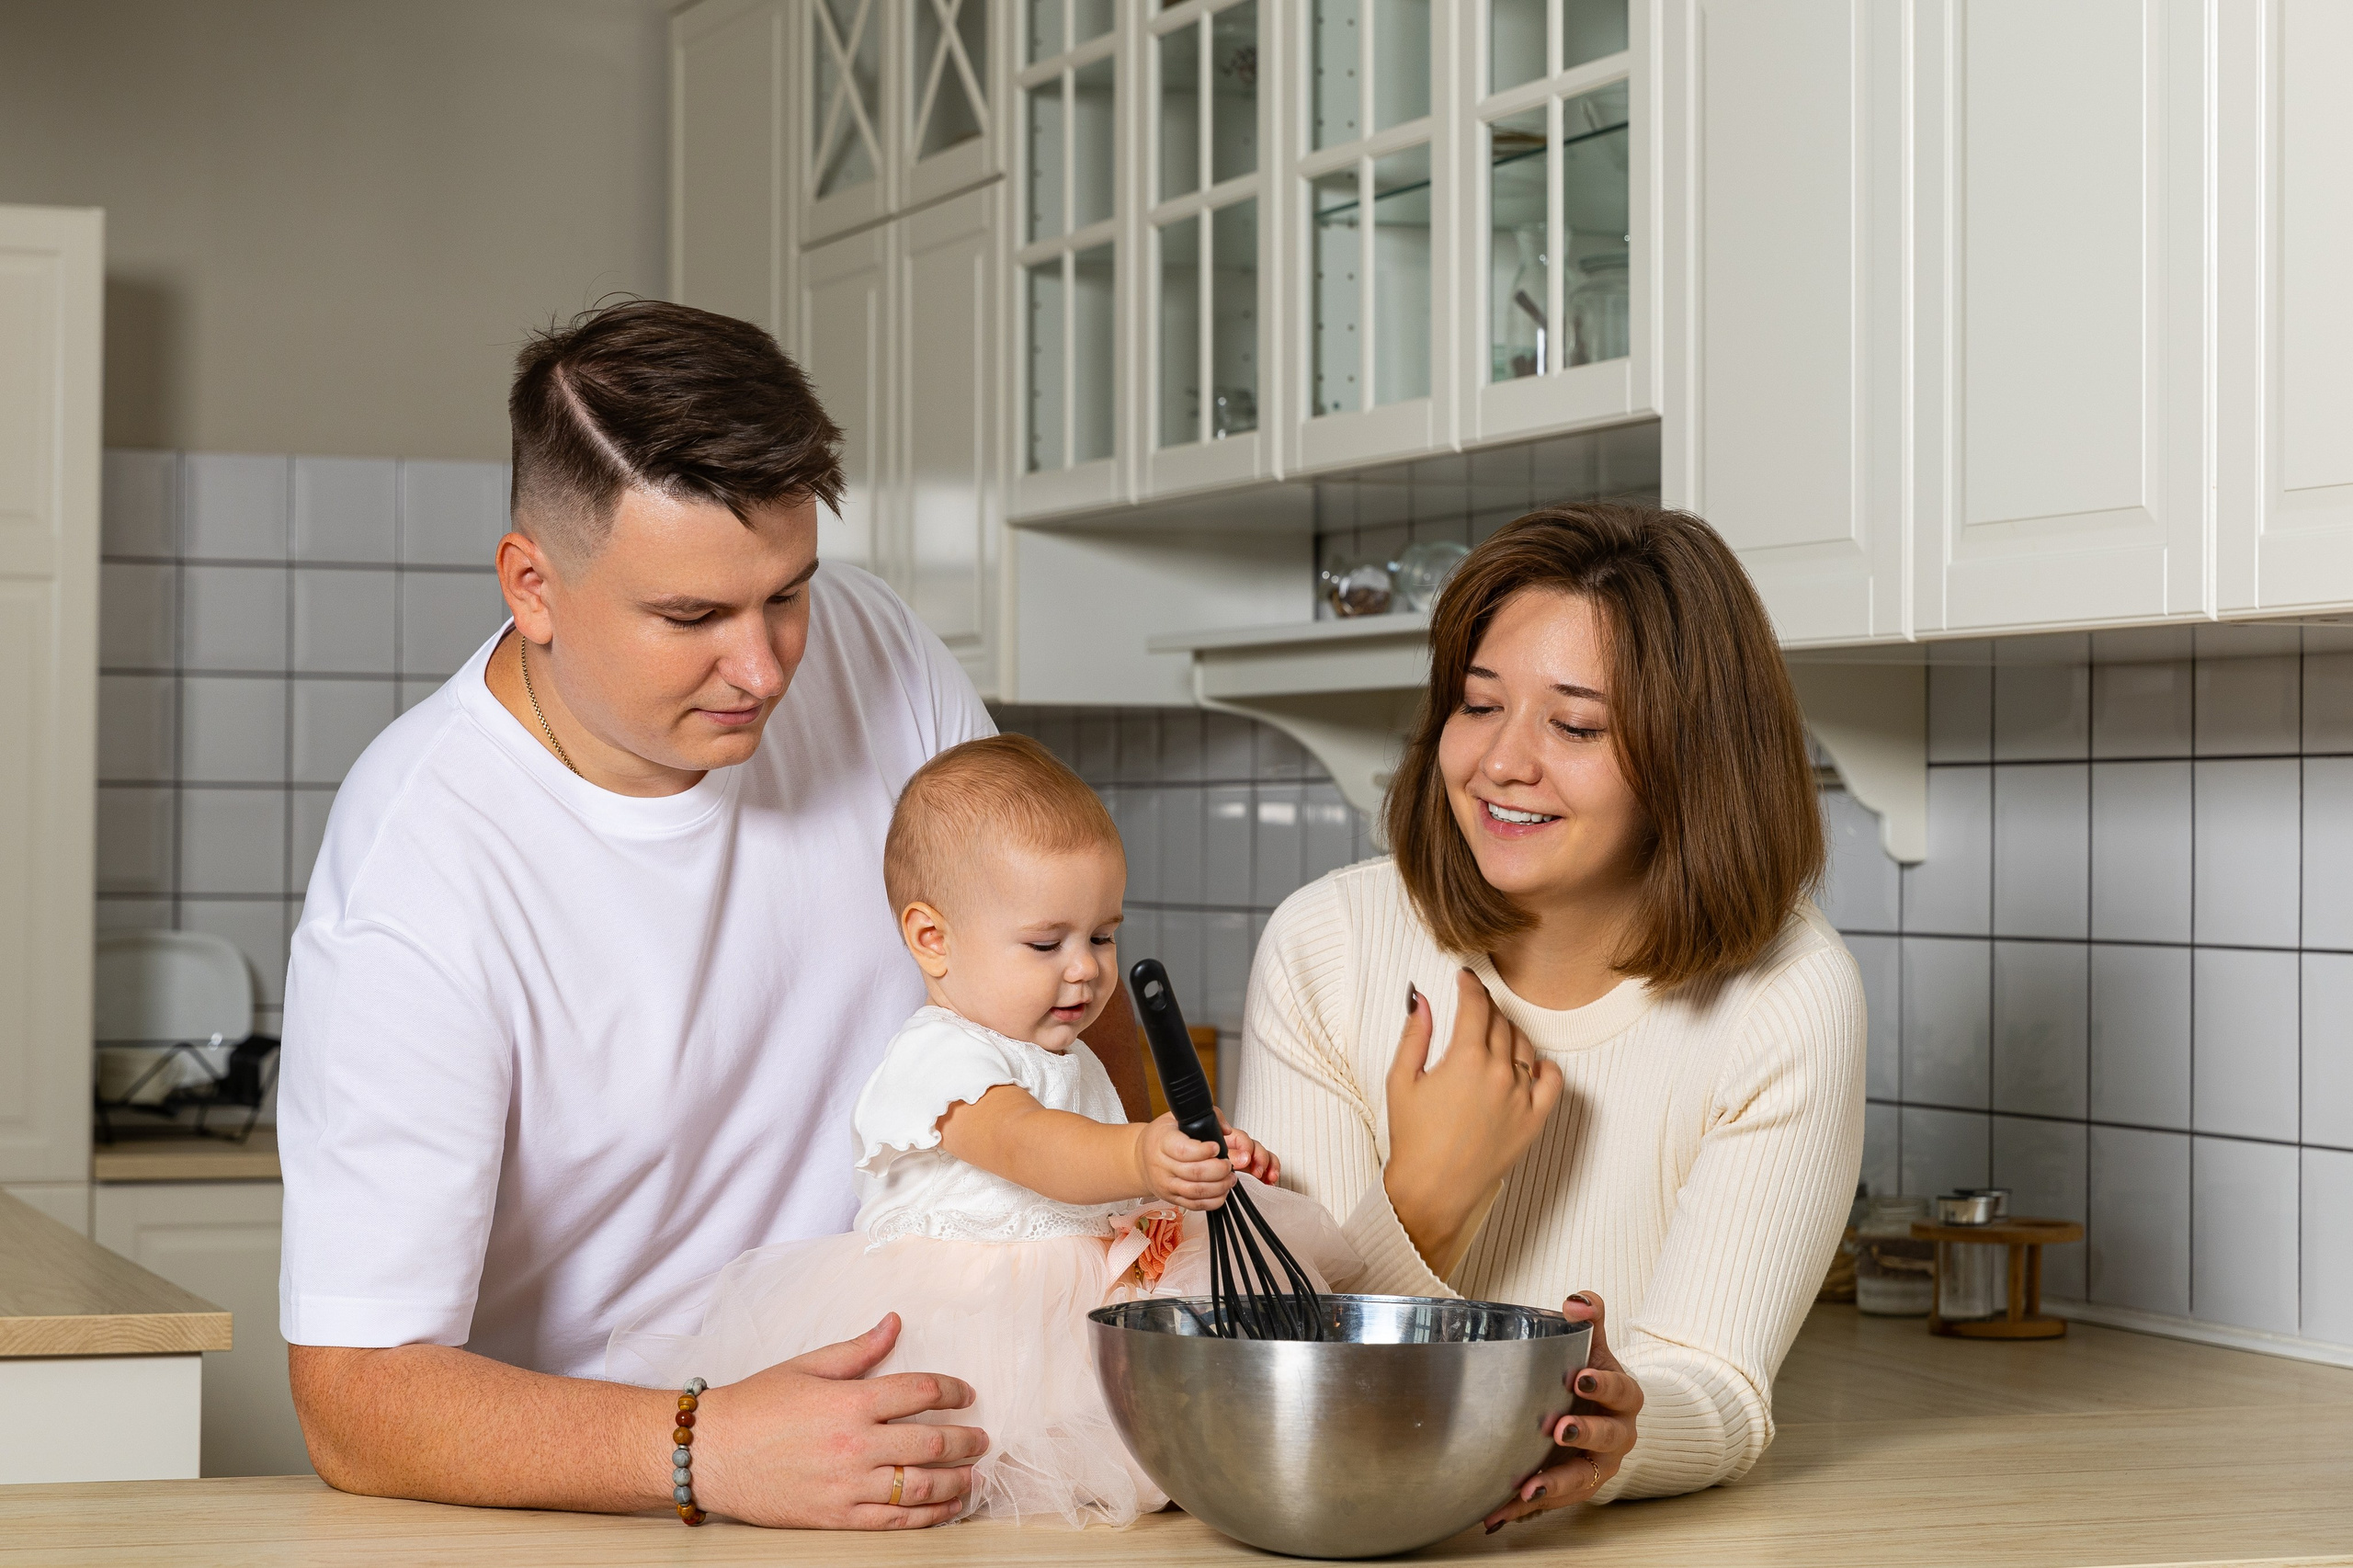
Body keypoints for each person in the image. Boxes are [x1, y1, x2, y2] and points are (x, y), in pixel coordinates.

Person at [277, 301, 1147, 1528]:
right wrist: (703, 1446)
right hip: (623, 1503)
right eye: (691, 619)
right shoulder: (420, 873)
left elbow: (1053, 958)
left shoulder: (877, 644)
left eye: (788, 593)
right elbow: (355, 1397)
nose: (767, 667)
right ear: (534, 584)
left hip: (946, 1465)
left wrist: (1140, 1197)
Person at [1233, 503, 1866, 1531]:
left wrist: (1619, 1426)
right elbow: (1280, 1370)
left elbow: (1717, 1379)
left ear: (1692, 761)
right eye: (1479, 706)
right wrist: (1427, 1197)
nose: (1501, 763)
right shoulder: (1329, 944)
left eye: (1574, 725)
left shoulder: (1788, 992)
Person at [608, 734, 1356, 1528]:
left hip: (1084, 1292)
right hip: (979, 1322)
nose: (1086, 969)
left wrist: (1198, 1153)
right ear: (932, 939)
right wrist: (1141, 1153)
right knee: (997, 1474)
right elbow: (1032, 1146)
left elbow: (1102, 1154)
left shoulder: (1065, 1049)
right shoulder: (940, 1058)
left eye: (1102, 935)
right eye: (1047, 943)